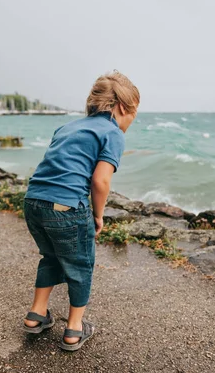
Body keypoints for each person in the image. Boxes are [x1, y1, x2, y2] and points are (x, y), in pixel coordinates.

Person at [22, 71, 139, 351]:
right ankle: (74, 329)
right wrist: (98, 215)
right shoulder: (113, 132)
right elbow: (100, 181)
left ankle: (36, 315)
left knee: (50, 256)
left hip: (33, 201)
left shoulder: (67, 128)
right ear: (122, 107)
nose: (133, 119)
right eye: (134, 112)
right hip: (66, 208)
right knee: (80, 265)